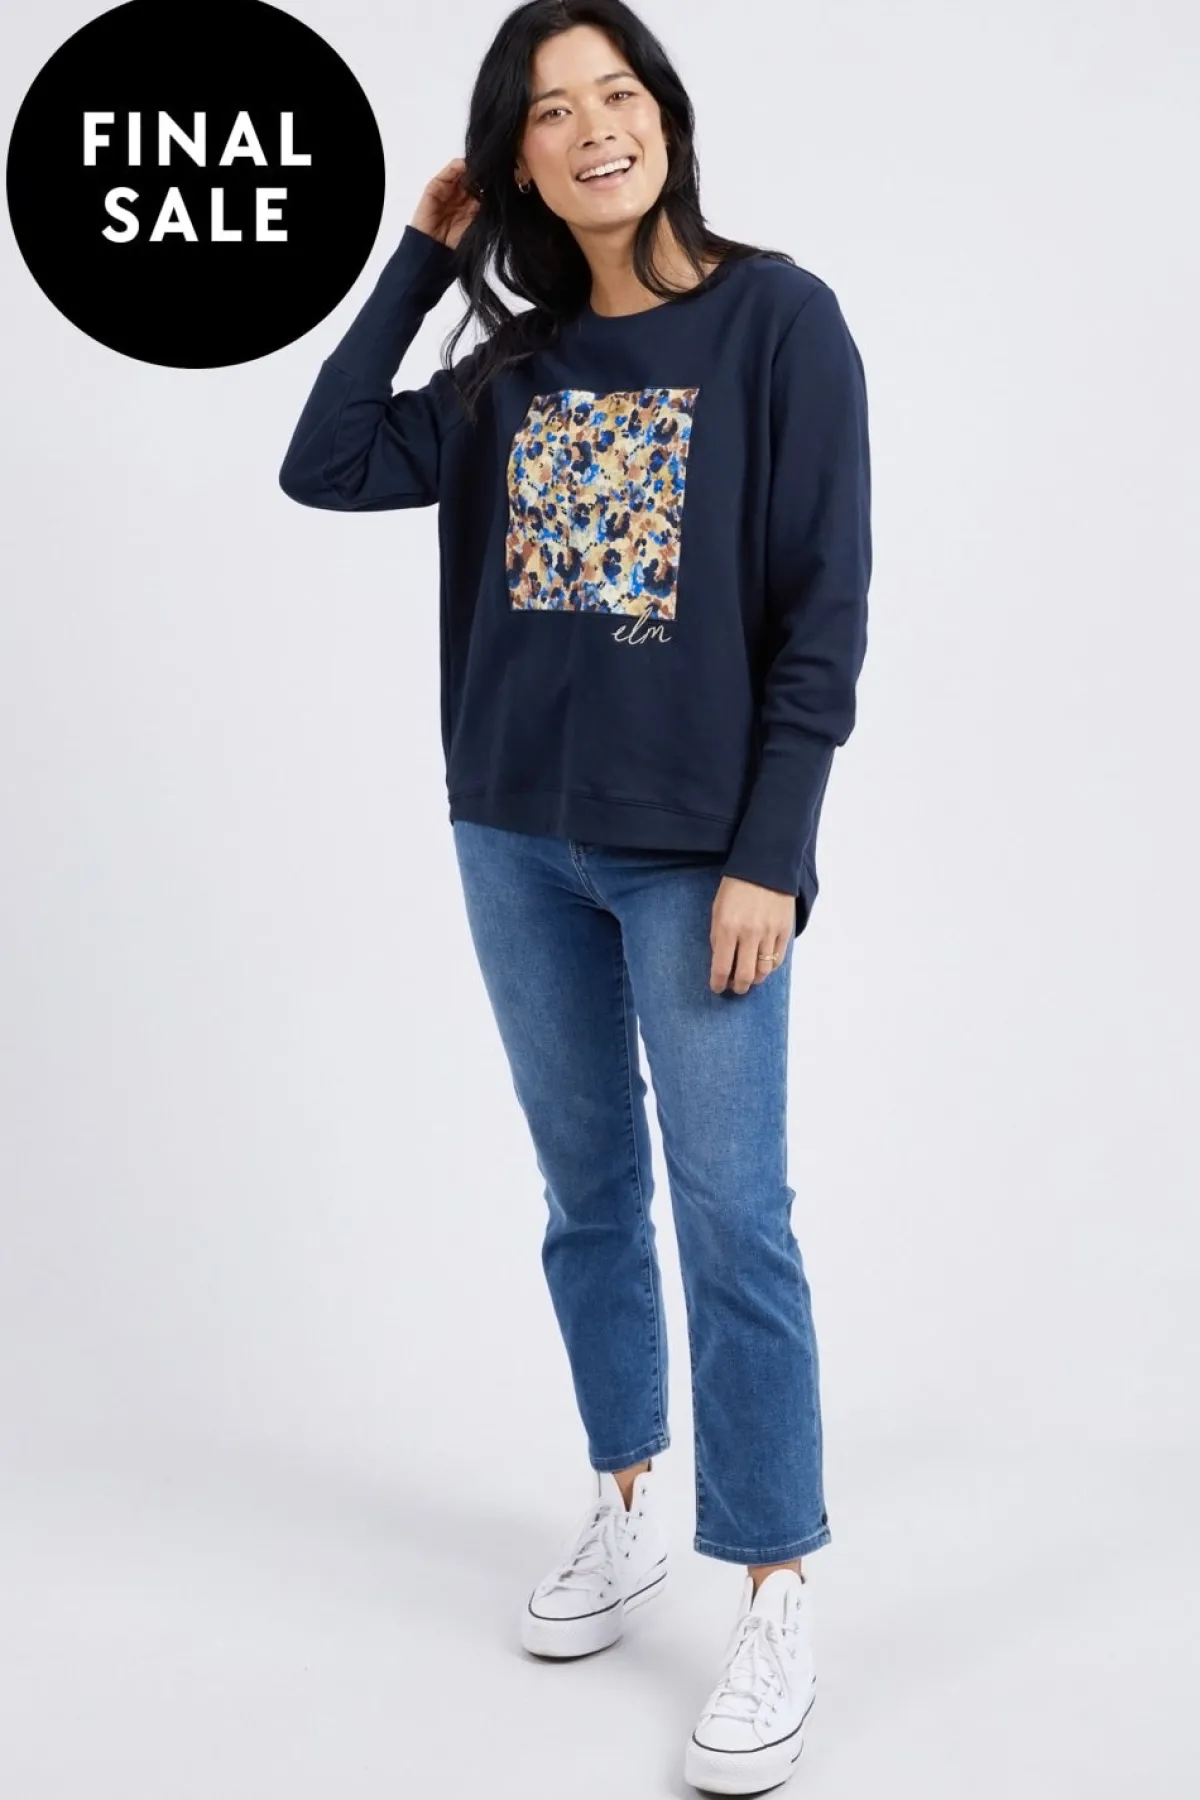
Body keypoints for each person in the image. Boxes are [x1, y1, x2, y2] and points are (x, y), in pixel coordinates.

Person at [278, 1, 871, 1790]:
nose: (594, 125)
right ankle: (625, 1499)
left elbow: (823, 610)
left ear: (664, 118)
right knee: (587, 1196)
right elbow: (323, 459)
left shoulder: (778, 321)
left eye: (618, 92)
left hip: (699, 853)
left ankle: (772, 1581)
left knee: (735, 1217)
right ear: (517, 161)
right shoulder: (507, 371)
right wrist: (421, 255)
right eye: (549, 111)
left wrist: (774, 851)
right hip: (514, 838)